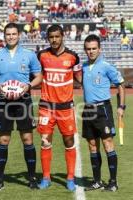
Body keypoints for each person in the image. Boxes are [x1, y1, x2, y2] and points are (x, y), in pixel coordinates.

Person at [0, 22, 43, 190]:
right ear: (4, 36)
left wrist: (29, 86)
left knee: (27, 139)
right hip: (4, 101)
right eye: (7, 34)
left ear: (19, 35)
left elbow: (39, 76)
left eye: (13, 34)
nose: (10, 37)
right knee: (3, 140)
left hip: (23, 99)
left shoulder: (29, 55)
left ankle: (32, 178)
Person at [37, 24, 81, 191]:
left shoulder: (73, 57)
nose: (54, 40)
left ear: (62, 36)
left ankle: (70, 178)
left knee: (68, 141)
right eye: (51, 37)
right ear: (48, 38)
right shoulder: (41, 55)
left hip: (65, 107)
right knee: (45, 141)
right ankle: (46, 177)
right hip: (46, 106)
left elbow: (79, 78)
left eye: (57, 36)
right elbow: (36, 74)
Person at [82, 34, 125, 192]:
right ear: (85, 50)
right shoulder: (84, 66)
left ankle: (113, 182)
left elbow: (121, 84)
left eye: (94, 48)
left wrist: (122, 106)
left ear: (99, 49)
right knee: (92, 145)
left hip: (103, 109)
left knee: (108, 144)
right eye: (88, 49)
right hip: (87, 109)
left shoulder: (107, 66)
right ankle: (97, 181)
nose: (91, 51)